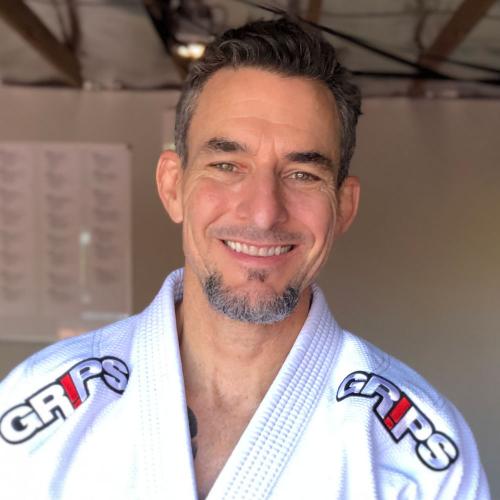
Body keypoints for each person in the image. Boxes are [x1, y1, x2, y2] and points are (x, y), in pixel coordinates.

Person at [0, 17, 490, 500]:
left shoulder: (418, 460)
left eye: (303, 174)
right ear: (173, 187)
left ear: (344, 207)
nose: (263, 212)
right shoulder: (35, 416)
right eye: (227, 165)